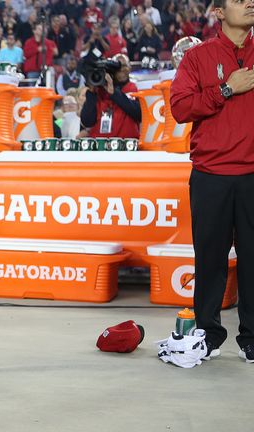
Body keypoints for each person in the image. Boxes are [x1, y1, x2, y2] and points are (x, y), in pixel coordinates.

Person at [170, 0, 254, 364]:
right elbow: (180, 108)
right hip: (210, 175)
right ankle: (207, 333)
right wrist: (225, 89)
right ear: (219, 12)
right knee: (210, 261)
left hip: (252, 175)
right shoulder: (198, 57)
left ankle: (251, 339)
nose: (250, 3)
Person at [80, 54, 141, 138]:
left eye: (124, 66)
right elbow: (87, 121)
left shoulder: (136, 88)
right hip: (100, 145)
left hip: (126, 144)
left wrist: (114, 93)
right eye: (117, 67)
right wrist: (91, 92)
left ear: (130, 68)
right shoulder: (98, 91)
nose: (121, 69)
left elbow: (139, 114)